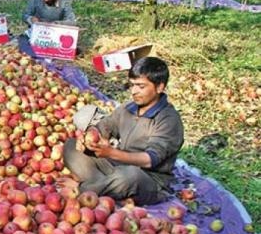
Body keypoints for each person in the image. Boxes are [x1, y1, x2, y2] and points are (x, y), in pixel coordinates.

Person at [61, 57, 184, 205]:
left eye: (141, 86)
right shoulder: (128, 108)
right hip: (118, 167)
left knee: (131, 176)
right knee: (70, 146)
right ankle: (105, 188)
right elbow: (104, 126)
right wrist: (89, 137)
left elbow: (149, 160)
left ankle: (85, 189)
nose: (134, 91)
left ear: (159, 87)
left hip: (147, 179)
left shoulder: (169, 120)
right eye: (132, 85)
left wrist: (111, 153)